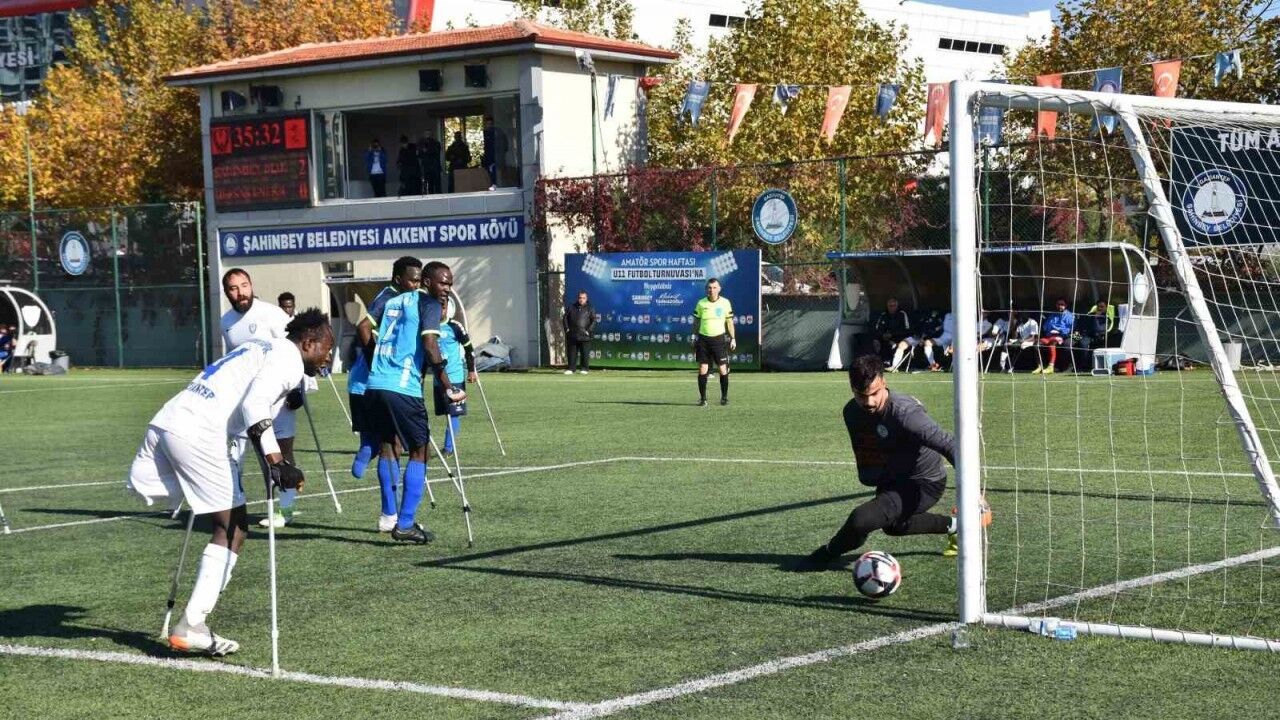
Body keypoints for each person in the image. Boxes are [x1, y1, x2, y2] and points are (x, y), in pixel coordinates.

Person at [127, 308, 333, 655]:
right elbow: (255, 405)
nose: (328, 356)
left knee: (227, 518)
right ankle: (192, 626)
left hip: (168, 422)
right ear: (308, 342)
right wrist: (278, 462)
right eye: (326, 348)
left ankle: (191, 624)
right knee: (234, 528)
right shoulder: (289, 360)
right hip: (199, 433)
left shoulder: (260, 346)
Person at [789, 354, 990, 571]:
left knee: (861, 519)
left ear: (884, 383)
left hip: (924, 482)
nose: (869, 402)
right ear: (852, 388)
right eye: (861, 395)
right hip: (892, 479)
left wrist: (976, 494)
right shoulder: (851, 412)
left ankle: (826, 554)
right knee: (894, 526)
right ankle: (956, 527)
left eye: (874, 393)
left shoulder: (906, 414)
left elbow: (951, 445)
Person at [358, 257, 465, 544]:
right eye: (443, 283)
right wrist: (449, 387)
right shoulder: (428, 304)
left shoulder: (393, 300)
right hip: (403, 387)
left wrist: (376, 362)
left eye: (450, 284)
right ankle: (404, 524)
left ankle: (389, 515)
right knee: (420, 450)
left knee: (388, 444)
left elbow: (364, 328)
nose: (447, 289)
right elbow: (430, 346)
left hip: (375, 385)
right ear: (427, 282)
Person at [220, 270, 304, 528]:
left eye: (244, 285)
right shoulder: (226, 322)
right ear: (227, 293)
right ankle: (236, 506)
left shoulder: (272, 314)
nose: (240, 292)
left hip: (279, 397)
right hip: (247, 401)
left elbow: (294, 349)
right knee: (250, 455)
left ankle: (286, 510)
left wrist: (297, 389)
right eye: (233, 288)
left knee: (282, 452)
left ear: (251, 285)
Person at [424, 264, 477, 456]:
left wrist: (471, 370)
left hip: (455, 377)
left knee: (454, 413)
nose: (442, 310)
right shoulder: (427, 326)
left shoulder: (455, 327)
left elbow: (469, 349)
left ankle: (448, 447)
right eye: (439, 307)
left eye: (444, 307)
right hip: (438, 378)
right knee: (444, 412)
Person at [691, 278, 736, 406]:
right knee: (702, 369)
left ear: (719, 289)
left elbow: (729, 322)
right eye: (709, 288)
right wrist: (693, 337)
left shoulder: (725, 303)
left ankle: (724, 398)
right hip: (703, 340)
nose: (712, 290)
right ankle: (703, 399)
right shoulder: (701, 303)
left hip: (719, 340)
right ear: (707, 289)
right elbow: (696, 322)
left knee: (723, 370)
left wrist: (733, 338)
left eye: (714, 287)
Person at [873, 298, 915, 372]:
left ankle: (893, 366)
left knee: (896, 345)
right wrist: (882, 335)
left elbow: (908, 330)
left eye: (893, 306)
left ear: (897, 306)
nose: (891, 308)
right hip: (886, 338)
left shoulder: (902, 314)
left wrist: (892, 335)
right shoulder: (883, 315)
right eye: (890, 306)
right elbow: (877, 329)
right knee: (875, 342)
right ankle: (876, 365)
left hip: (901, 338)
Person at [1034, 298, 1074, 374]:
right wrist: (1050, 330)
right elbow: (1046, 326)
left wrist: (1059, 330)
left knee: (1055, 343)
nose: (1060, 306)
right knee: (1037, 344)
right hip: (1050, 335)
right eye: (1058, 304)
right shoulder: (1052, 315)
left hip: (1063, 336)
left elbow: (1070, 329)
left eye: (1062, 304)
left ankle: (1051, 366)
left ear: (1066, 305)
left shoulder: (1070, 316)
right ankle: (1040, 366)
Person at [563, 290, 595, 375]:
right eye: (580, 298)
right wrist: (567, 329)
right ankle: (571, 368)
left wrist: (588, 331)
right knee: (572, 353)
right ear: (578, 298)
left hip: (585, 335)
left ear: (586, 298)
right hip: (572, 334)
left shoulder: (590, 308)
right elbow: (565, 318)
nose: (581, 299)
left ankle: (584, 368)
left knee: (585, 353)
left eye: (583, 298)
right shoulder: (571, 307)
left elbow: (594, 320)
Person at [481, 116, 507, 188]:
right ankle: (493, 184)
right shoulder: (485, 133)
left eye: (490, 124)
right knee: (490, 170)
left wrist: (502, 152)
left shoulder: (497, 132)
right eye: (488, 124)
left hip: (496, 155)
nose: (489, 125)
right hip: (489, 156)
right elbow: (485, 146)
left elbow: (504, 143)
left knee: (495, 170)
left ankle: (495, 184)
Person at [419, 129, 443, 194]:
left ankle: (439, 197)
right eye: (426, 134)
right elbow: (420, 155)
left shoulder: (436, 143)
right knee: (429, 185)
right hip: (427, 167)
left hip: (435, 167)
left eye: (429, 134)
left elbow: (436, 152)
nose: (428, 135)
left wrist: (427, 150)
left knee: (437, 185)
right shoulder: (422, 144)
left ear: (432, 135)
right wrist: (423, 151)